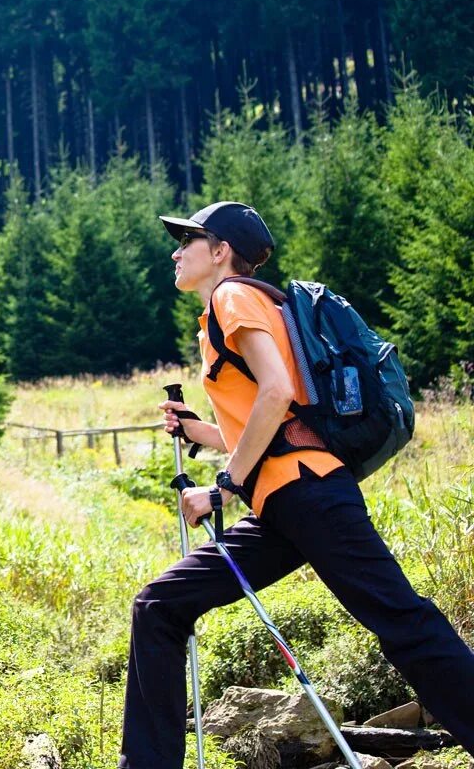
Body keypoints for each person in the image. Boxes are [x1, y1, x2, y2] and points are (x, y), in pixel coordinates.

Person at [118, 201, 474, 767]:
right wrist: (204, 433)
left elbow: (277, 391)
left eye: (187, 240)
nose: (175, 251)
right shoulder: (240, 306)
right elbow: (278, 421)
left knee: (402, 620)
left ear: (221, 252)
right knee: (159, 605)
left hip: (308, 495)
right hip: (284, 503)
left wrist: (223, 487)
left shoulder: (231, 297)